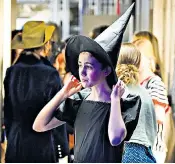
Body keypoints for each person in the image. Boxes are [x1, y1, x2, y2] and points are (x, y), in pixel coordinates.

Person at [33, 3, 142, 163]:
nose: (82, 72)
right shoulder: (79, 101)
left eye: (89, 67)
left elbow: (115, 138)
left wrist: (115, 101)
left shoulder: (126, 103)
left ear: (106, 70)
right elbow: (39, 125)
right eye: (80, 65)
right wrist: (63, 94)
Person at [4, 21, 69, 163]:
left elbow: (7, 114)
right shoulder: (50, 73)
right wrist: (62, 149)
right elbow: (58, 113)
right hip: (42, 143)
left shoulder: (12, 71)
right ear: (45, 45)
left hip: (16, 143)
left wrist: (11, 137)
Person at [132, 31, 175, 163]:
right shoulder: (139, 84)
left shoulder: (154, 83)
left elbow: (158, 116)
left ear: (149, 59)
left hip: (151, 149)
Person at [116, 43, 157, 163]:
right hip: (143, 152)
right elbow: (152, 131)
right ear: (138, 64)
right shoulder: (145, 93)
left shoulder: (111, 91)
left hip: (119, 152)